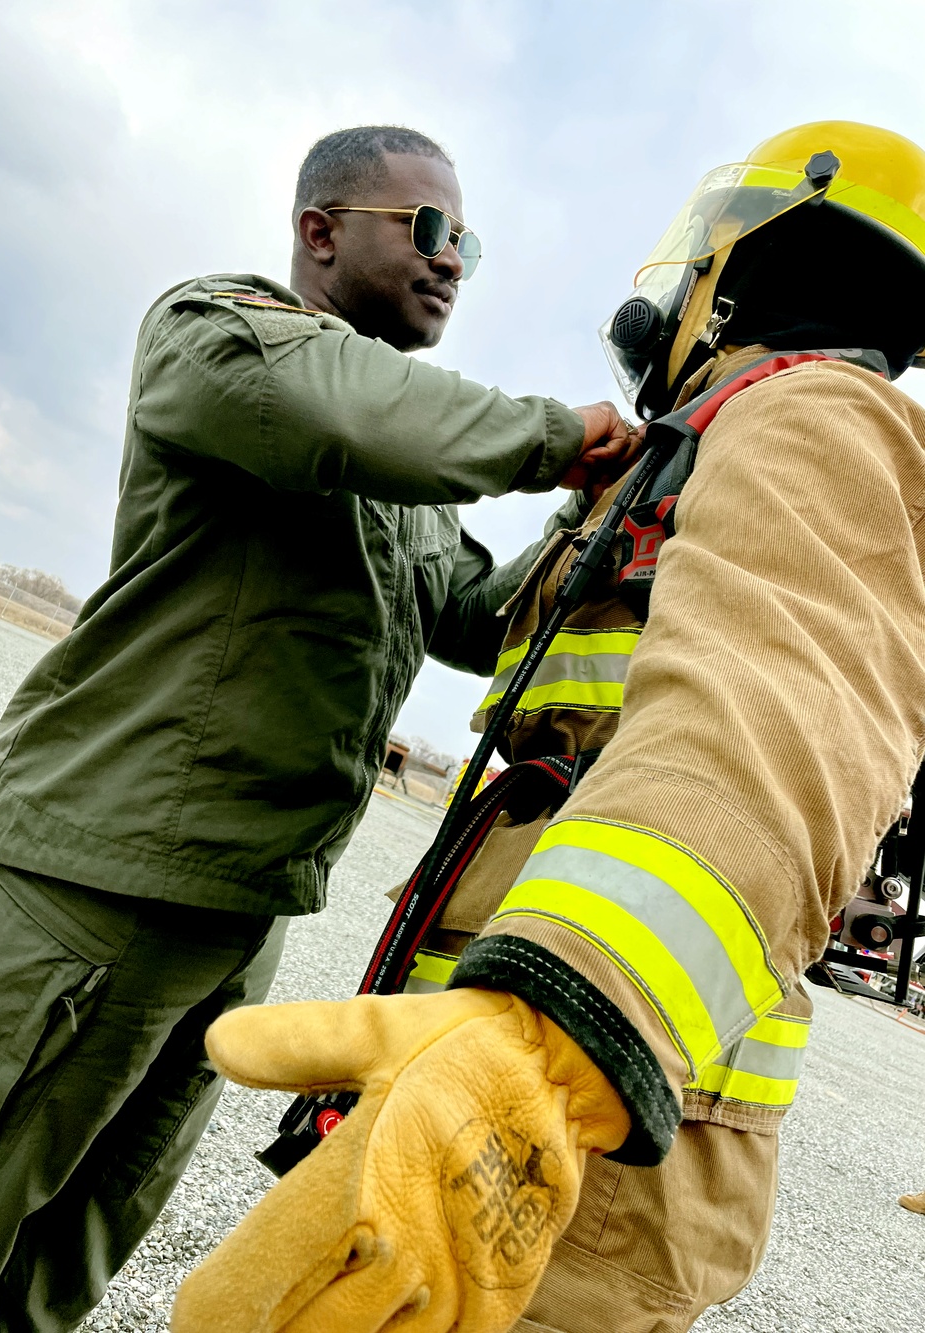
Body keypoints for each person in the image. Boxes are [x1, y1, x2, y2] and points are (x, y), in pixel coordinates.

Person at [170, 121, 925, 1333]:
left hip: (572, 1123)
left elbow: (779, 729)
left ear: (743, 265)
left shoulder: (813, 415)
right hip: (503, 1091)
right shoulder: (699, 449)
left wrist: (553, 1032)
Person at [0, 124, 639, 1332]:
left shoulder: (397, 463)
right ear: (320, 232)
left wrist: (620, 512)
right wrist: (559, 439)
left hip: (239, 911)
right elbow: (357, 411)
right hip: (89, 877)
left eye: (467, 239)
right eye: (426, 229)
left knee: (77, 1240)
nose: (453, 259)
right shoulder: (217, 335)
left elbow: (474, 612)